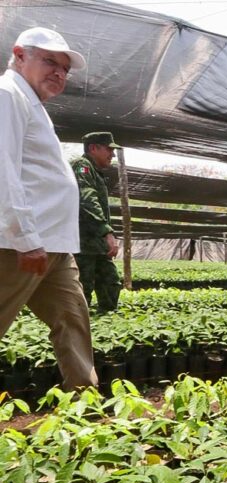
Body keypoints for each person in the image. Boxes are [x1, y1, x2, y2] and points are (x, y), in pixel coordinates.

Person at [0, 27, 97, 390]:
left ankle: (86, 406)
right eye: (50, 61)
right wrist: (25, 238)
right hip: (18, 246)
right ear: (19, 55)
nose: (59, 72)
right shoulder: (7, 95)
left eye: (65, 68)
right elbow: (3, 169)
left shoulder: (31, 103)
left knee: (72, 319)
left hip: (54, 246)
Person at [71, 131, 122, 312]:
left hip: (97, 243)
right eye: (109, 149)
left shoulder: (95, 171)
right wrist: (106, 231)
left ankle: (107, 324)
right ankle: (79, 329)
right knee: (82, 289)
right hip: (83, 243)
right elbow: (86, 198)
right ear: (93, 148)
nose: (113, 154)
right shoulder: (82, 166)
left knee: (111, 283)